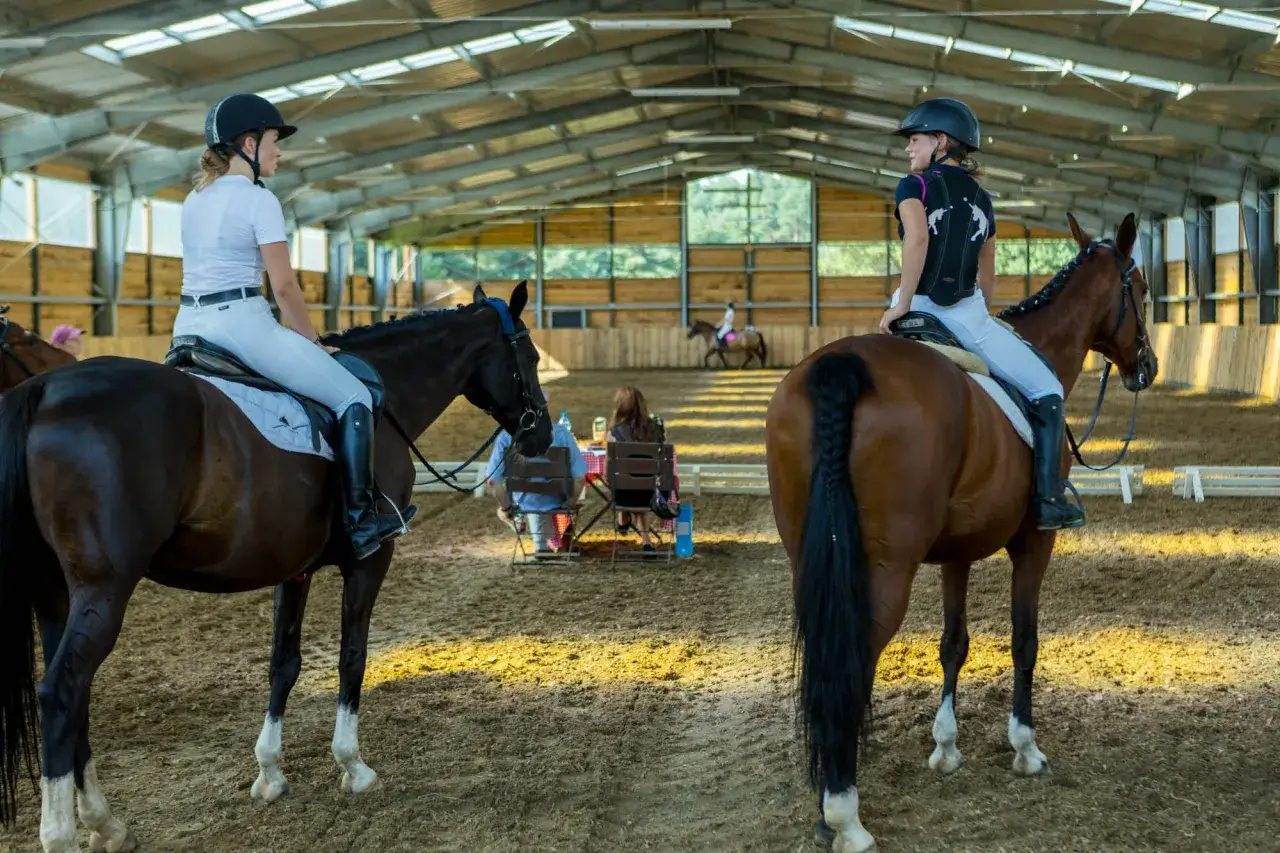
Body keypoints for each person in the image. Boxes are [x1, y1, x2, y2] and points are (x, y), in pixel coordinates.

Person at [174, 92, 414, 561]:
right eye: (273, 141)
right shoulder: (258, 199)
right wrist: (311, 341)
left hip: (188, 327)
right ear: (248, 144)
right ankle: (361, 521)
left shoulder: (194, 197)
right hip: (242, 325)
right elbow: (283, 287)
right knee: (354, 396)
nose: (279, 152)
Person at [879, 96, 1083, 531]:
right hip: (968, 318)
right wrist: (982, 318)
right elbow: (986, 275)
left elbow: (917, 240)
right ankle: (1049, 500)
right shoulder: (983, 200)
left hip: (914, 310)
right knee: (1047, 388)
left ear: (941, 141)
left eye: (914, 139)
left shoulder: (911, 186)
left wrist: (902, 304)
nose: (908, 148)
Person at [485, 399, 587, 553]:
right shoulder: (562, 433)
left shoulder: (505, 436)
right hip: (557, 499)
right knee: (546, 499)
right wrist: (570, 504)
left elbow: (493, 481)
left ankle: (530, 534)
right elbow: (580, 479)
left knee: (508, 509)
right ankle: (550, 545)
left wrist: (508, 509)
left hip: (522, 501)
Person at [605, 386, 668, 552]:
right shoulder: (656, 430)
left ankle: (623, 516)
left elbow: (607, 472)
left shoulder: (614, 434)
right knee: (641, 488)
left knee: (625, 485)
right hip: (650, 492)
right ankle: (647, 542)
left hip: (623, 493)